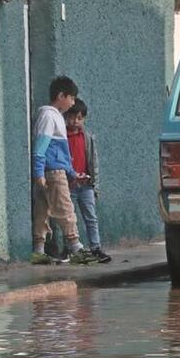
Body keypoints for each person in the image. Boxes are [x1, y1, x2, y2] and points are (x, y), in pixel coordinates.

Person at [30, 76, 96, 265]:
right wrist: (39, 173)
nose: (73, 102)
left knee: (43, 211)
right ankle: (76, 248)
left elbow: (59, 151)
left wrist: (73, 173)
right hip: (53, 173)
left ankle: (38, 250)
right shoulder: (49, 116)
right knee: (66, 209)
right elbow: (41, 148)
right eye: (72, 98)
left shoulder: (55, 117)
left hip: (51, 171)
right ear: (61, 96)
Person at [64, 99, 111, 263]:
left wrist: (95, 185)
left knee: (91, 217)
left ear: (83, 119)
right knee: (69, 218)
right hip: (68, 185)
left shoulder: (88, 137)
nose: (75, 121)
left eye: (79, 118)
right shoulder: (61, 136)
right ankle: (69, 248)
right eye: (71, 117)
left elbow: (94, 161)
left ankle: (95, 247)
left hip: (86, 185)